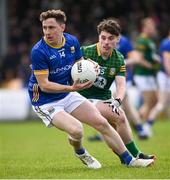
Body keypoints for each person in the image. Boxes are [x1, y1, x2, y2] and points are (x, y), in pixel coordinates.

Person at [28, 9, 154, 169]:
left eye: (51, 27)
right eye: (44, 27)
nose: (47, 32)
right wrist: (72, 87)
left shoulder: (72, 42)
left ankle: (130, 160)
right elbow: (45, 84)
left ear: (62, 27)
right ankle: (80, 151)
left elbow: (80, 64)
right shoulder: (39, 51)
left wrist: (91, 67)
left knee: (102, 122)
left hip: (70, 93)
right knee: (77, 130)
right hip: (45, 100)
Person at [79, 18, 155, 162]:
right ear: (98, 37)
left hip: (102, 97)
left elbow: (121, 85)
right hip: (82, 98)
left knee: (114, 126)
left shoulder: (119, 58)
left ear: (117, 39)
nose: (106, 42)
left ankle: (124, 157)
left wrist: (118, 100)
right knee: (120, 117)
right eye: (103, 38)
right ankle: (136, 155)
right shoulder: (86, 51)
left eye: (111, 38)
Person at [133, 17, 160, 126]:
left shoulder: (149, 40)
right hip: (142, 75)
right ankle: (139, 124)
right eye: (150, 27)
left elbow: (151, 56)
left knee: (153, 101)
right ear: (144, 28)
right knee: (148, 102)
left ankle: (139, 123)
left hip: (149, 75)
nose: (153, 29)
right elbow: (139, 58)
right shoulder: (142, 40)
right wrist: (151, 66)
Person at [143, 29, 170, 136]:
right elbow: (167, 61)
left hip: (164, 76)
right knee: (161, 104)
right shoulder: (167, 43)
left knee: (162, 104)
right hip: (165, 76)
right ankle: (147, 125)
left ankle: (146, 125)